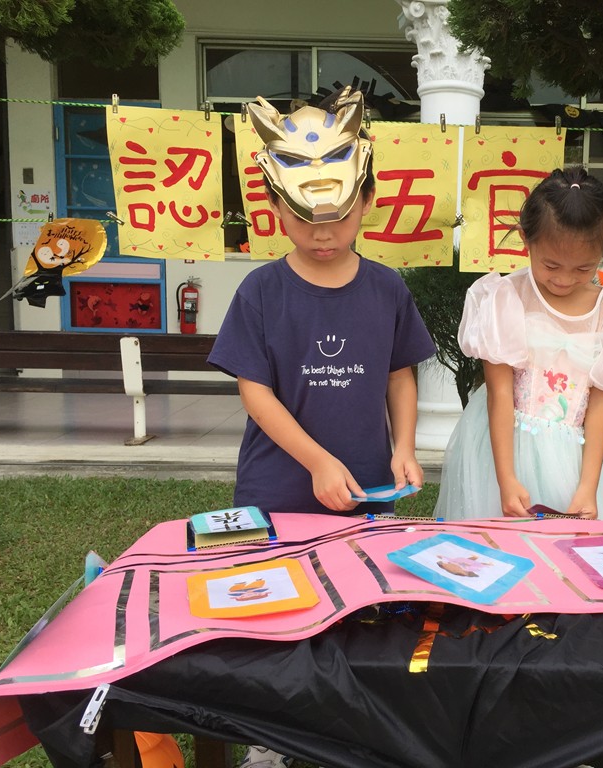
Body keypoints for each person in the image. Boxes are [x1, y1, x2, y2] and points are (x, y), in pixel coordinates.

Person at [210, 86, 435, 768]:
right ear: (276, 209)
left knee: (358, 608)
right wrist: (314, 460)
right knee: (276, 611)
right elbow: (255, 393)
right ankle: (269, 737)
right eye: (306, 220)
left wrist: (403, 447)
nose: (323, 234)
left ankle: (348, 726)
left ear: (366, 201)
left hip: (365, 486)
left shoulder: (387, 288)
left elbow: (400, 374)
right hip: (278, 486)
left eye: (337, 217)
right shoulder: (261, 291)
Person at [434, 166, 603, 522]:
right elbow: (499, 394)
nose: (564, 279)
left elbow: (600, 408)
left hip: (575, 460)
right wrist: (505, 479)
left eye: (583, 269)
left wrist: (588, 486)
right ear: (526, 239)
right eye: (551, 265)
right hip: (503, 450)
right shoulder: (506, 298)